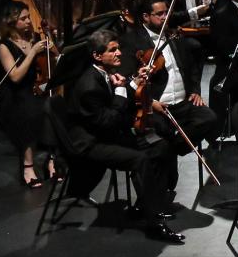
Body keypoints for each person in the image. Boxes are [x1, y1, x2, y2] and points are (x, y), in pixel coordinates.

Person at [60, 35, 184, 243]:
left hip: (106, 135)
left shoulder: (104, 73)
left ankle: (145, 205)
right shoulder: (89, 85)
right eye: (112, 50)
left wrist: (133, 83)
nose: (119, 53)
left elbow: (119, 100)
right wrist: (119, 92)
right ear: (97, 56)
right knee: (140, 159)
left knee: (161, 146)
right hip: (91, 144)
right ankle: (154, 224)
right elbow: (108, 121)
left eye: (118, 48)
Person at [121, 0, 222, 157]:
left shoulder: (174, 35)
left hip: (183, 103)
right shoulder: (131, 41)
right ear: (146, 17)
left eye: (166, 12)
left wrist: (195, 90)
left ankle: (174, 149)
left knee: (208, 118)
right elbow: (126, 79)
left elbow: (192, 67)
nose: (165, 17)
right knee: (160, 133)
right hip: (157, 107)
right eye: (159, 14)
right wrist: (150, 102)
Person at [0, 4, 56, 189]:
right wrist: (33, 53)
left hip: (36, 88)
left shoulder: (33, 38)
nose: (29, 21)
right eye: (24, 18)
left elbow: (55, 60)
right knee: (30, 109)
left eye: (28, 17)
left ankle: (51, 159)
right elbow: (15, 76)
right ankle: (28, 166)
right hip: (16, 94)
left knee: (55, 105)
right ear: (12, 22)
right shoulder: (4, 46)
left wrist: (51, 45)